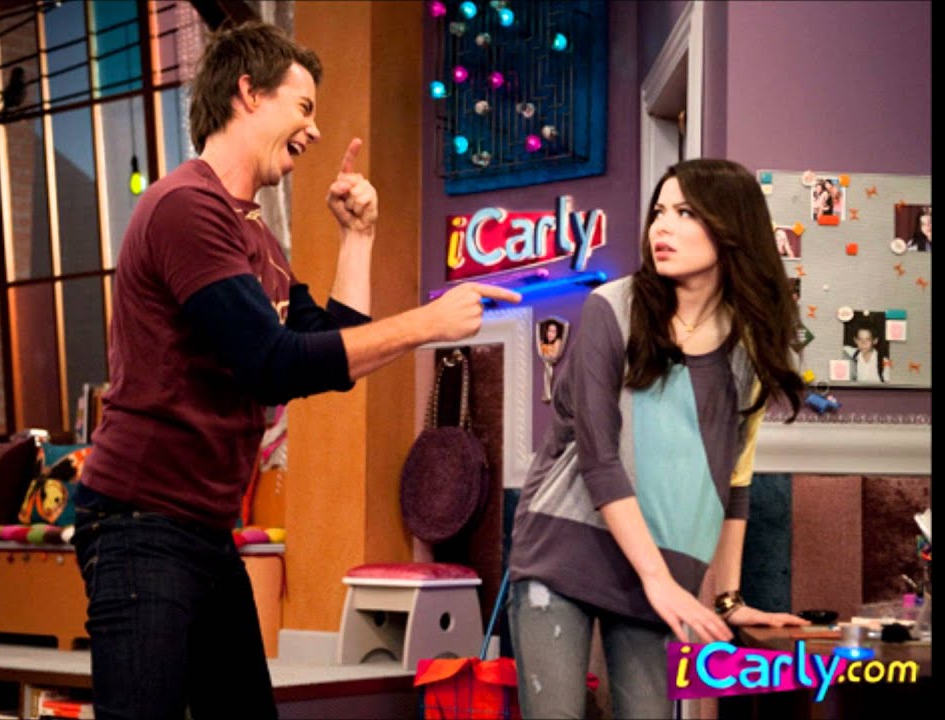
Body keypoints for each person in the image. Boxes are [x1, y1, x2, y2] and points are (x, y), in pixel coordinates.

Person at [72, 20, 519, 720]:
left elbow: (333, 351)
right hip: (141, 521)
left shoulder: (255, 236)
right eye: (304, 106)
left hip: (202, 529)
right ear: (248, 93)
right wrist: (429, 323)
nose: (313, 130)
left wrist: (358, 239)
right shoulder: (186, 208)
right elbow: (271, 363)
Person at [507, 159, 809, 719]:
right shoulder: (611, 308)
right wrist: (658, 581)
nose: (662, 227)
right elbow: (600, 458)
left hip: (664, 570)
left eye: (686, 212)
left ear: (731, 226)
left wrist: (727, 599)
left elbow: (734, 480)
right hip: (565, 552)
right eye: (660, 212)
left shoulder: (751, 347)